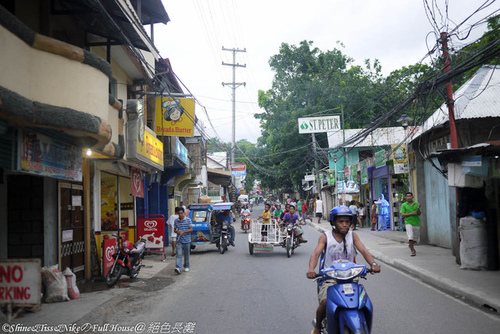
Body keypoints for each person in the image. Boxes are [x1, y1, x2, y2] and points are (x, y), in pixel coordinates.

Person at [306, 206, 381, 334]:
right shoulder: (325, 237)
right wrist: (311, 269)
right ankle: (318, 326)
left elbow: (363, 250)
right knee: (324, 302)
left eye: (347, 222)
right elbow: (316, 254)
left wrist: (373, 263)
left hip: (351, 277)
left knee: (364, 303)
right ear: (333, 222)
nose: (344, 225)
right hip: (330, 278)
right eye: (341, 222)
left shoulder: (353, 236)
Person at [400, 192, 421, 256]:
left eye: (410, 196)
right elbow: (402, 215)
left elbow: (419, 213)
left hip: (416, 222)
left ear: (412, 197)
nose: (409, 197)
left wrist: (418, 209)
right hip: (408, 222)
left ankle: (410, 245)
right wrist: (412, 213)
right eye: (407, 196)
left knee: (416, 239)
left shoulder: (416, 204)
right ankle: (413, 250)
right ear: (406, 197)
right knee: (410, 236)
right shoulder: (404, 205)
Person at [173, 207, 193, 274]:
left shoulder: (188, 220)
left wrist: (183, 232)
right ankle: (178, 268)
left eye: (181, 213)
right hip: (179, 241)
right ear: (177, 214)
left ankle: (186, 266)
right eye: (179, 213)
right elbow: (175, 230)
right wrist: (178, 232)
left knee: (186, 255)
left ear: (184, 213)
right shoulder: (176, 221)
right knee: (179, 254)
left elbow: (191, 229)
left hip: (187, 241)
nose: (180, 214)